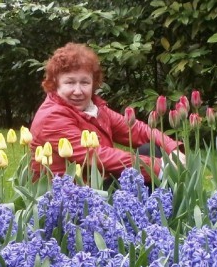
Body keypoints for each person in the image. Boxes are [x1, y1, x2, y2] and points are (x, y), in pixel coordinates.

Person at [29, 43, 184, 183]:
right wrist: (160, 167)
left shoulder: (94, 108)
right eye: (70, 82)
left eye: (84, 82)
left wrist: (174, 149)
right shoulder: (52, 117)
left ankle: (169, 207)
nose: (78, 91)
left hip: (99, 181)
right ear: (55, 84)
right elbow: (95, 155)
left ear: (93, 83)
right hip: (72, 194)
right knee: (153, 169)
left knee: (152, 148)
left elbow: (135, 129)